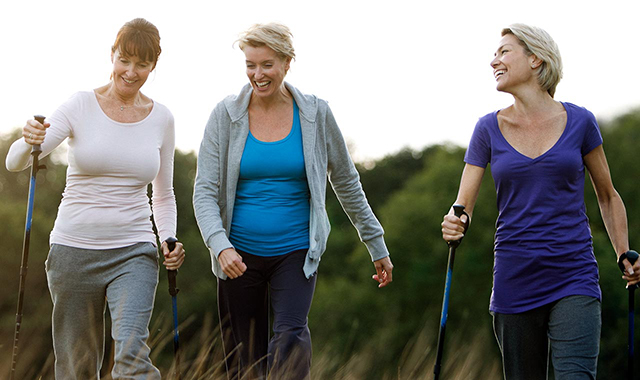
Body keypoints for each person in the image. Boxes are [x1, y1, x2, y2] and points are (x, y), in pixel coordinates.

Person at [193, 22, 393, 380]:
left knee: (290, 339)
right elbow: (204, 191)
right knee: (244, 361)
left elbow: (346, 181)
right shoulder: (225, 115)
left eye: (267, 64)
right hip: (237, 253)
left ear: (287, 62)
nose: (258, 74)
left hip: (296, 250)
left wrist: (375, 243)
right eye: (250, 65)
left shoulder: (315, 114)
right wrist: (220, 246)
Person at [441, 23, 638, 380]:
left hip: (574, 274)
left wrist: (623, 252)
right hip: (514, 279)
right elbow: (463, 206)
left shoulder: (581, 122)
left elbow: (608, 197)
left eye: (503, 52)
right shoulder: (487, 129)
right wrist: (456, 222)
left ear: (535, 58)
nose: (493, 61)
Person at [5, 18, 185, 379]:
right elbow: (15, 162)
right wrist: (28, 138)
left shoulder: (161, 118)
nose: (131, 72)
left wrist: (168, 237)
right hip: (73, 251)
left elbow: (163, 194)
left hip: (133, 250)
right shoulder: (80, 105)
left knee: (132, 356)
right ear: (113, 55)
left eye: (142, 64)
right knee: (77, 367)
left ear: (153, 66)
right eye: (125, 60)